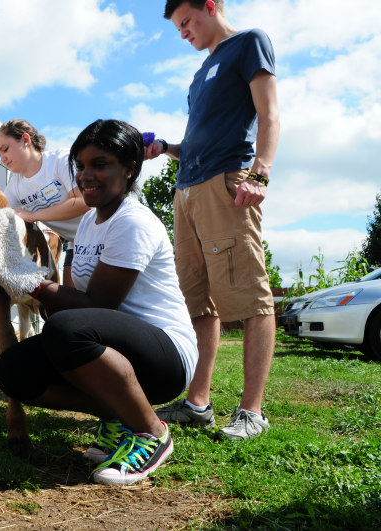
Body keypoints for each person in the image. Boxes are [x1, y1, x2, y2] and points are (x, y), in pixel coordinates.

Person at [0, 119, 198, 485]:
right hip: (112, 347)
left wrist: (28, 282)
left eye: (100, 165)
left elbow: (96, 304)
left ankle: (152, 432)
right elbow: (73, 299)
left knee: (68, 330)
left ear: (129, 168)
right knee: (13, 370)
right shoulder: (88, 223)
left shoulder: (132, 222)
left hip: (165, 356)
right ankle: (121, 415)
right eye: (82, 166)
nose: (86, 175)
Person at [145, 0, 280, 440]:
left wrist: (260, 172)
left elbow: (268, 113)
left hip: (228, 183)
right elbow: (198, 139)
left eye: (186, 22)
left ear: (210, 6)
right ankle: (198, 403)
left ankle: (252, 412)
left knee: (250, 294)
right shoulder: (199, 75)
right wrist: (167, 147)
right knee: (197, 300)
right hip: (185, 191)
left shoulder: (248, 44)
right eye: (177, 28)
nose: (183, 33)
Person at [0, 119, 91, 286]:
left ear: (25, 140)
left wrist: (32, 215)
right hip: (77, 243)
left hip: (105, 231)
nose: (3, 158)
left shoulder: (61, 160)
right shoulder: (14, 187)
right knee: (73, 304)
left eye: (5, 149)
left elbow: (84, 202)